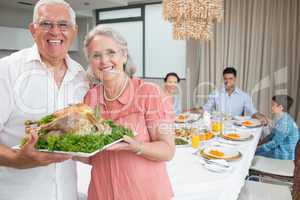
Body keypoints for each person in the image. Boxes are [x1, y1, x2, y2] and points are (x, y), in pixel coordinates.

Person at [0, 0, 89, 199]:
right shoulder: (7, 70)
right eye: (46, 24)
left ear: (74, 31)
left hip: (67, 193)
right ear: (33, 30)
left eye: (63, 24)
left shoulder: (81, 76)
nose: (55, 32)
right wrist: (17, 159)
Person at [82, 25, 175, 200]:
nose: (104, 61)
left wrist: (137, 147)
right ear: (90, 61)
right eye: (96, 55)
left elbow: (168, 150)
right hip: (102, 193)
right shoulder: (89, 98)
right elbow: (93, 156)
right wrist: (68, 151)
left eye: (111, 53)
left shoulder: (149, 93)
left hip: (144, 194)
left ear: (124, 55)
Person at [256, 95, 299, 160]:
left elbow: (274, 143)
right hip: (280, 148)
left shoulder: (284, 123)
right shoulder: (282, 117)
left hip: (283, 154)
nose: (271, 107)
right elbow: (272, 134)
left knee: (251, 154)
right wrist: (260, 143)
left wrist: (257, 149)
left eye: (273, 105)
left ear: (281, 107)